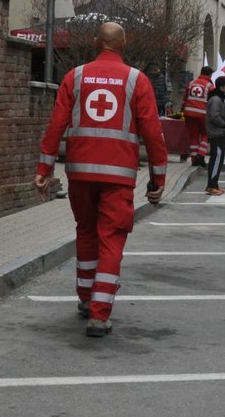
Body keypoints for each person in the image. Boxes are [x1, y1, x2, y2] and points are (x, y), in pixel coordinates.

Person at [36, 21, 168, 337]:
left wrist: (44, 169)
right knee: (111, 239)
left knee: (85, 231)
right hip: (118, 176)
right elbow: (152, 131)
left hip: (80, 173)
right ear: (124, 44)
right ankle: (99, 314)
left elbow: (56, 124)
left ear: (97, 43)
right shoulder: (137, 80)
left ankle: (85, 298)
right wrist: (158, 178)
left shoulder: (75, 76)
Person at [204, 73, 225, 196]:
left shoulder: (219, 98)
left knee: (218, 160)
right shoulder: (216, 99)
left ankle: (213, 185)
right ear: (221, 86)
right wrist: (223, 125)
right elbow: (214, 116)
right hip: (217, 134)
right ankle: (211, 186)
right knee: (216, 160)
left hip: (219, 133)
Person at [181, 64, 214, 166]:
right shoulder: (210, 86)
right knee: (205, 134)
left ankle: (194, 159)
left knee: (193, 136)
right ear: (210, 74)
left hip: (189, 113)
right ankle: (201, 154)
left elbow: (184, 98)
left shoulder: (191, 83)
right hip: (202, 114)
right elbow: (212, 101)